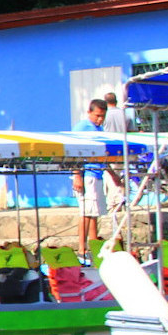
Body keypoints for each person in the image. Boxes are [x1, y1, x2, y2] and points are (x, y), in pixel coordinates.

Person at [74, 99, 112, 247]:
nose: (100, 119)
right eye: (97, 116)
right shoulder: (82, 127)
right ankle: (82, 248)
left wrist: (113, 174)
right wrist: (77, 175)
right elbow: (74, 153)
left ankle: (94, 244)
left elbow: (102, 155)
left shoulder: (99, 129)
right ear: (89, 112)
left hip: (97, 173)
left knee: (94, 213)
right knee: (86, 213)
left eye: (103, 116)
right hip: (86, 174)